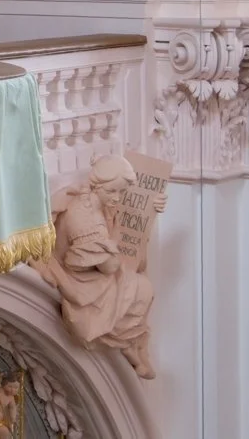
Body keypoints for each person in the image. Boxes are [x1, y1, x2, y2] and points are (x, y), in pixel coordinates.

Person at [33, 155, 163, 379]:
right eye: (113, 191)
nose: (117, 198)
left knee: (141, 287)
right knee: (141, 289)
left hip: (94, 275)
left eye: (121, 193)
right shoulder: (84, 220)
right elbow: (108, 266)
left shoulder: (90, 202)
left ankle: (134, 346)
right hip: (84, 283)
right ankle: (131, 345)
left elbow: (112, 242)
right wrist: (112, 251)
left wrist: (151, 206)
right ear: (98, 186)